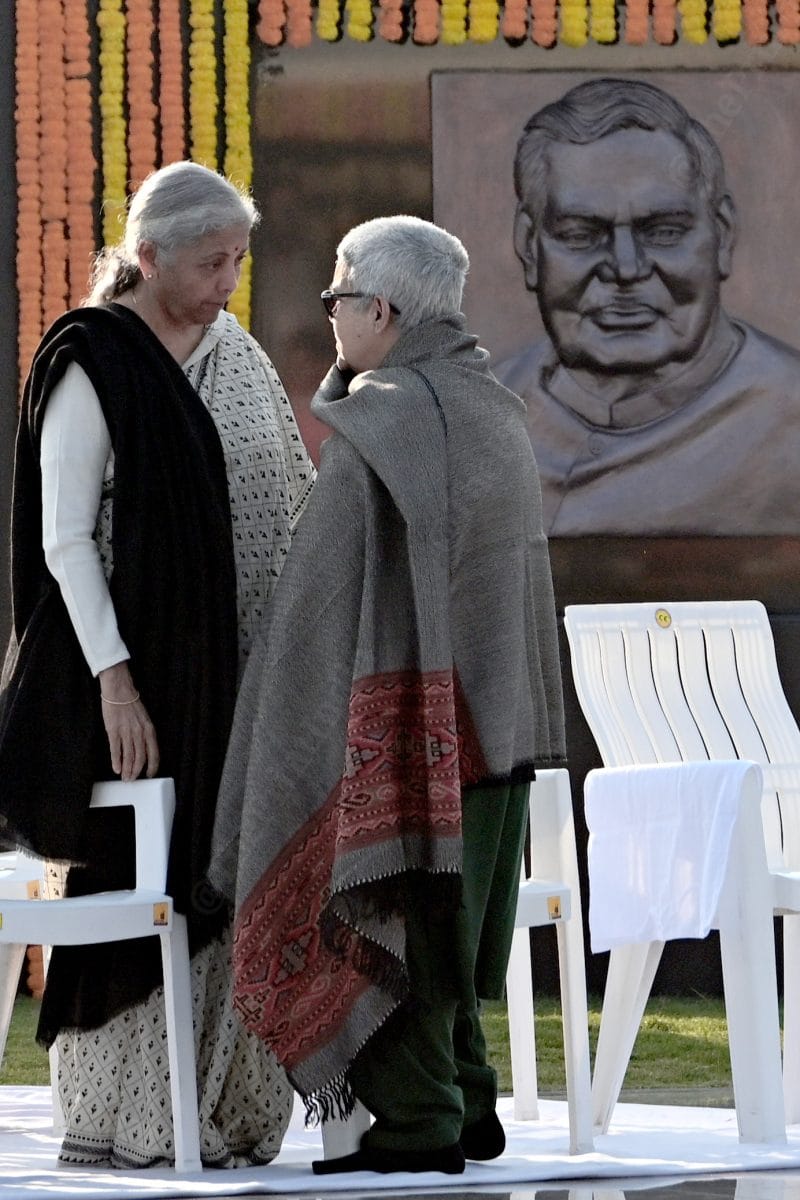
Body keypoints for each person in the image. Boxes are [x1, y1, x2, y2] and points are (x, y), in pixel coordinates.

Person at [209, 215, 566, 1174]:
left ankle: (417, 1123)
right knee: (452, 937)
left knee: (395, 918)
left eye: (337, 298)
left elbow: (317, 604)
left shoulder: (387, 420)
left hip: (406, 734)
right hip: (493, 726)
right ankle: (466, 1100)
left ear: (382, 308)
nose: (328, 316)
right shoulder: (491, 405)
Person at [0, 161, 315, 1167]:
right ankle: (125, 1117)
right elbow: (64, 543)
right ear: (146, 256)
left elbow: (289, 490)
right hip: (130, 687)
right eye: (210, 261)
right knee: (136, 895)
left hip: (240, 680)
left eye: (238, 260)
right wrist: (117, 681)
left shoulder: (237, 354)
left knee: (240, 885)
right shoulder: (94, 357)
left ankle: (220, 1110)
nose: (228, 280)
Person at [494, 77, 800, 536]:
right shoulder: (479, 414)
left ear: (722, 236)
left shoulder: (790, 417)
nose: (626, 268)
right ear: (530, 247)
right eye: (580, 235)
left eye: (664, 232)